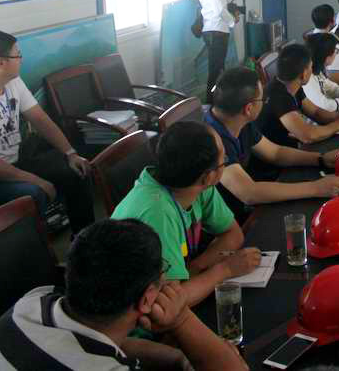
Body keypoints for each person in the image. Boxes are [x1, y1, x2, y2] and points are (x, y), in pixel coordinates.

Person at [0, 218, 247, 371]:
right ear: (146, 299)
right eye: (163, 272)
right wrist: (180, 318)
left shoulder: (32, 302)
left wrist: (177, 358)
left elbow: (110, 343)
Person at [111, 121, 260, 307]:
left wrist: (196, 267)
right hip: (134, 313)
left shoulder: (195, 184)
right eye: (224, 160)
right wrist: (226, 269)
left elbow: (233, 234)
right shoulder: (157, 214)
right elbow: (169, 305)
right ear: (209, 177)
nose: (226, 161)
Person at [0, 30, 94, 233]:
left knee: (77, 169)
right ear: (1, 63)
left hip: (14, 162)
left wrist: (71, 153)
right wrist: (36, 180)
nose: (21, 59)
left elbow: (40, 120)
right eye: (17, 55)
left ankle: (85, 237)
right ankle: (37, 249)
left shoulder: (12, 82)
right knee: (33, 194)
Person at [205, 67, 339, 221]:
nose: (264, 102)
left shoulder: (238, 120)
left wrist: (321, 158)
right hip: (229, 221)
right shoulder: (212, 140)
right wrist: (315, 188)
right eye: (262, 99)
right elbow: (249, 192)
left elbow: (275, 153)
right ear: (248, 108)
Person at [258, 43, 339, 149]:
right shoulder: (279, 96)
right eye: (310, 67)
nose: (312, 71)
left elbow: (316, 112)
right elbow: (307, 135)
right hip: (280, 156)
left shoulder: (292, 85)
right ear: (303, 74)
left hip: (291, 149)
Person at [198, 0, 239, 104]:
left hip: (217, 30)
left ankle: (215, 103)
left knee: (218, 70)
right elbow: (218, 9)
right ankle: (210, 105)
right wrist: (232, 21)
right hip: (215, 31)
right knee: (215, 72)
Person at [303, 33, 339, 114]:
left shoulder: (316, 69)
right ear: (326, 55)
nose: (336, 53)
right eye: (335, 51)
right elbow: (326, 106)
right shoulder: (307, 78)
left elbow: (329, 87)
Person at [311, 3, 339, 83]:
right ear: (332, 21)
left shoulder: (310, 40)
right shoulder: (333, 46)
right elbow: (337, 79)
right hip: (329, 87)